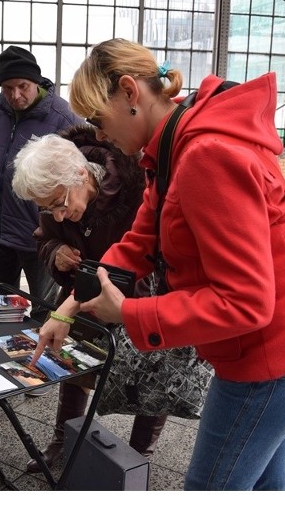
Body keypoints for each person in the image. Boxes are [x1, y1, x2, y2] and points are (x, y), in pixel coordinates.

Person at [30, 38, 285, 490]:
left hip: (279, 352)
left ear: (130, 92)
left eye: (99, 120)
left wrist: (128, 313)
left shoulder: (205, 156)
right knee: (262, 487)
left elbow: (245, 302)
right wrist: (68, 306)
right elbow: (139, 242)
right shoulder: (175, 146)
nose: (100, 136)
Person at [11, 126, 169, 473]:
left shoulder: (133, 190)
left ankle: (141, 454)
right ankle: (63, 441)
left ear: (82, 174)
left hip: (138, 295)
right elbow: (44, 239)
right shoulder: (56, 196)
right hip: (83, 297)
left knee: (149, 374)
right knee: (71, 364)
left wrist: (75, 299)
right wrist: (57, 251)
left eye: (59, 205)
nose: (58, 216)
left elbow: (145, 261)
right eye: (46, 209)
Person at [0, 46, 81, 326]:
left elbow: (80, 174)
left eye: (22, 86)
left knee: (46, 309)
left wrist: (60, 226)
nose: (15, 95)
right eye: (7, 87)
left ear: (36, 82)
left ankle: (42, 364)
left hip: (39, 236)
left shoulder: (62, 118)